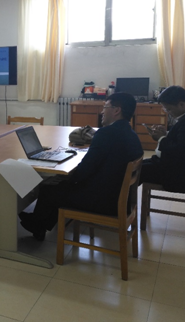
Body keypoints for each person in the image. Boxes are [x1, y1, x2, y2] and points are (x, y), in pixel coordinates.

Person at [19, 93, 143, 240]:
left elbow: (86, 169)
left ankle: (37, 225)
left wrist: (66, 178)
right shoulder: (132, 134)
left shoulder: (106, 134)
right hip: (119, 199)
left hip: (103, 202)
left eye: (105, 107)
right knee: (60, 186)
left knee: (50, 188)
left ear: (116, 110)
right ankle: (40, 224)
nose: (102, 111)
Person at [140, 85, 185, 192]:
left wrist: (161, 138)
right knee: (136, 166)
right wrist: (166, 133)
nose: (167, 112)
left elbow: (179, 151)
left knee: (134, 171)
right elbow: (184, 140)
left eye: (169, 109)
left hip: (182, 173)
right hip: (176, 165)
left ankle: (124, 200)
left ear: (181, 104)